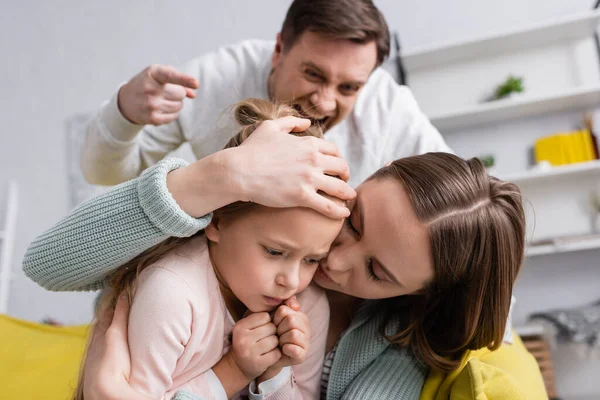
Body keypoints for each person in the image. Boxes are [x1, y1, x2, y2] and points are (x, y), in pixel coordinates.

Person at [24, 120, 526, 398]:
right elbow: (47, 264)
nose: (336, 256)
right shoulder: (278, 208)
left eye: (376, 271)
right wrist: (218, 176)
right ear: (375, 173)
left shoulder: (393, 353)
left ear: (417, 294)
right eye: (355, 220)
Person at [72, 100, 344, 400]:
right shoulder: (171, 295)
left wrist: (274, 374)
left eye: (311, 259)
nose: (292, 280)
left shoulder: (307, 305)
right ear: (216, 222)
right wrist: (233, 372)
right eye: (274, 252)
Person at [81, 0, 450, 190]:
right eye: (312, 74)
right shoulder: (214, 78)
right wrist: (123, 113)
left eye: (349, 88)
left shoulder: (390, 106)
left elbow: (456, 190)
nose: (324, 102)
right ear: (279, 50)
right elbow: (104, 175)